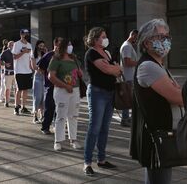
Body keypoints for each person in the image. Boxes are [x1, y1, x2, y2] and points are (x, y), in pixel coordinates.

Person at [130, 19, 183, 184]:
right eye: (161, 36)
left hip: (162, 135)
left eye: (167, 36)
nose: (166, 40)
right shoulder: (148, 67)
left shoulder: (158, 66)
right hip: (157, 138)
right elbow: (178, 97)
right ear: (147, 42)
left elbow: (178, 93)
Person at [83, 27, 122, 176]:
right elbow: (108, 70)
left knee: (105, 128)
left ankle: (101, 159)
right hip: (97, 93)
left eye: (106, 36)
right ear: (95, 39)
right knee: (94, 127)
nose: (106, 39)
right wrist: (115, 68)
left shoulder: (106, 53)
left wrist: (115, 68)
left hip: (110, 93)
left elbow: (119, 70)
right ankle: (87, 162)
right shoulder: (91, 53)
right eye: (103, 36)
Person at [48, 39, 83, 151]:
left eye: (71, 44)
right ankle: (57, 141)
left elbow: (80, 72)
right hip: (62, 91)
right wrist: (65, 86)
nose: (70, 46)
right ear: (63, 47)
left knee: (73, 115)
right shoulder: (56, 59)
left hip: (75, 90)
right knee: (61, 116)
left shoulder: (74, 59)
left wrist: (80, 73)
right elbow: (51, 77)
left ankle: (73, 139)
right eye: (68, 45)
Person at [37, 38, 60, 135]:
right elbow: (40, 69)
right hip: (50, 85)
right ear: (56, 44)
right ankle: (45, 127)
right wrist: (48, 76)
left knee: (59, 107)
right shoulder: (48, 55)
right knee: (49, 107)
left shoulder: (64, 56)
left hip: (61, 85)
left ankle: (57, 125)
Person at [12, 29, 35, 115]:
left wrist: (32, 68)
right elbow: (14, 57)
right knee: (19, 89)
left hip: (27, 71)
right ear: (21, 34)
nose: (26, 35)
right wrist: (23, 52)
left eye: (27, 34)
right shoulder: (16, 44)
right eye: (24, 34)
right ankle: (16, 107)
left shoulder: (29, 45)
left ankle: (23, 107)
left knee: (25, 90)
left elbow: (31, 58)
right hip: (19, 71)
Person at [119, 29, 138, 127]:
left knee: (128, 99)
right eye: (137, 37)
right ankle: (125, 119)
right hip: (128, 77)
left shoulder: (128, 45)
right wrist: (140, 62)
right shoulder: (127, 46)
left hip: (129, 76)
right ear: (133, 35)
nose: (137, 40)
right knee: (127, 99)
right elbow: (127, 62)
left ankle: (126, 118)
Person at [32, 40, 47, 124]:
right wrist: (40, 67)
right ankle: (35, 115)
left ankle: (42, 115)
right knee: (37, 97)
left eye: (43, 45)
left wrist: (46, 53)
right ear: (37, 45)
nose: (41, 47)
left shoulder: (45, 54)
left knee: (44, 97)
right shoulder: (33, 54)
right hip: (37, 77)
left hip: (44, 77)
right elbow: (33, 67)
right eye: (40, 45)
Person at [0, 41, 15, 107]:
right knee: (7, 88)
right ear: (9, 46)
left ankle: (16, 103)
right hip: (8, 73)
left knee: (16, 89)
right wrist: (5, 64)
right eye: (11, 45)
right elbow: (0, 61)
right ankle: (6, 102)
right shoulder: (5, 52)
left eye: (14, 45)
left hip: (16, 73)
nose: (13, 46)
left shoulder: (17, 52)